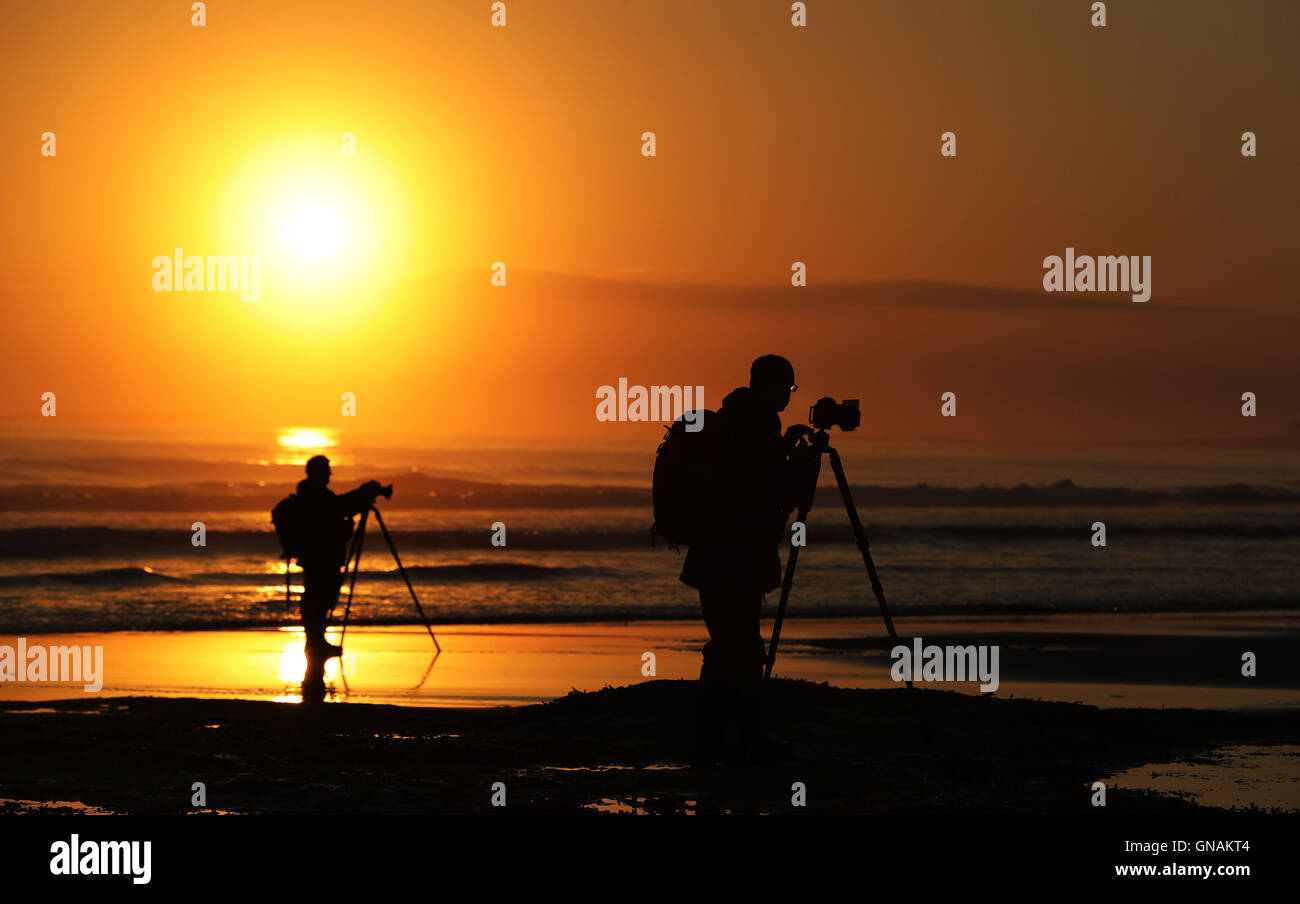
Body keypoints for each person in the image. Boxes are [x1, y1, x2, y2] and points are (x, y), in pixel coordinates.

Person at [680, 354, 811, 762]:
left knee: (729, 644)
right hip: (735, 557)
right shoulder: (756, 427)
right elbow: (768, 498)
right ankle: (736, 740)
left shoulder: (733, 419)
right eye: (788, 388)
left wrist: (783, 450)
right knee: (740, 646)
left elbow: (746, 482)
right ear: (769, 386)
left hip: (714, 555)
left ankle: (718, 741)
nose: (789, 396)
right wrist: (800, 470)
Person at [294, 455, 385, 674]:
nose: (330, 474)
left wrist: (358, 497)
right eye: (326, 470)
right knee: (318, 597)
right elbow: (336, 509)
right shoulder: (313, 494)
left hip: (322, 554)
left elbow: (336, 508)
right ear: (316, 472)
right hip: (320, 555)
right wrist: (361, 496)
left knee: (323, 597)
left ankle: (317, 641)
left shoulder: (313, 493)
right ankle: (315, 643)